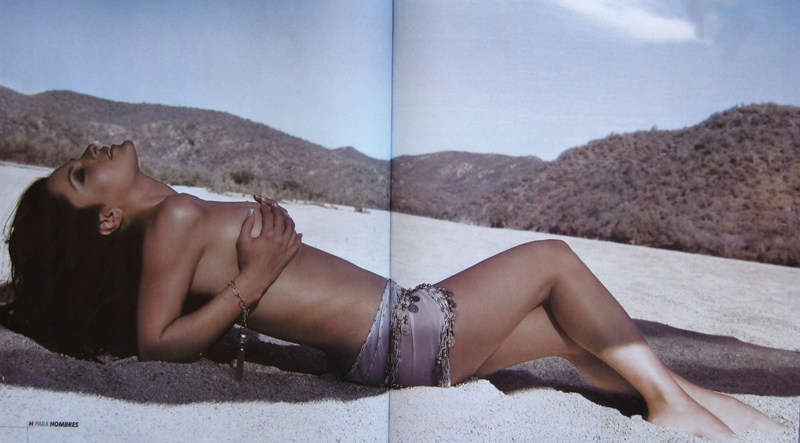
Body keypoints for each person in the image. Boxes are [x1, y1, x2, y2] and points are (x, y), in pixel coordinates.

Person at [1, 140, 785, 440]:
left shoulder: (174, 216)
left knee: (570, 328)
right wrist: (253, 280)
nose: (91, 150)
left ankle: (701, 404)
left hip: (388, 337)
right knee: (552, 259)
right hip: (405, 327)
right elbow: (155, 342)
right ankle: (671, 402)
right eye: (81, 174)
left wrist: (250, 281)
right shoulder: (172, 220)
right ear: (106, 218)